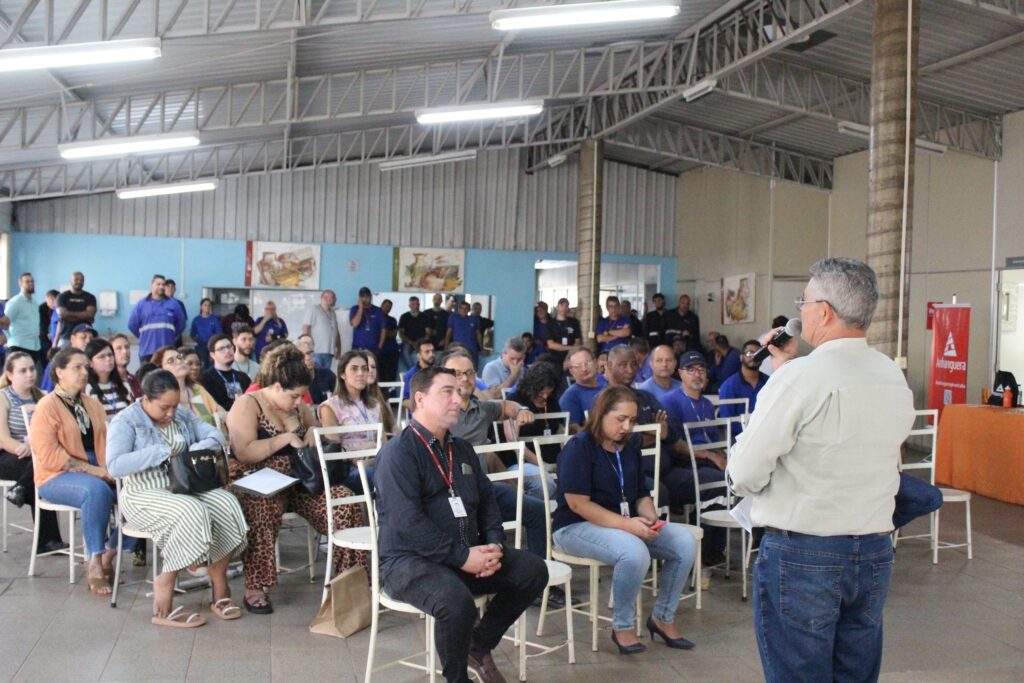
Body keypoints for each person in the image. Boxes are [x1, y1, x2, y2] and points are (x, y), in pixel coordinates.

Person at [727, 257, 916, 683]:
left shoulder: (800, 379)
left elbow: (744, 472)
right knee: (855, 671)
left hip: (805, 553)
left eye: (805, 301)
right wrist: (785, 371)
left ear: (825, 311)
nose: (802, 311)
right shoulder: (890, 374)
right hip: (871, 549)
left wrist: (782, 379)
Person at [373, 366, 548, 683]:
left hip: (463, 554)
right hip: (409, 561)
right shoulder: (398, 453)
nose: (459, 398)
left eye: (459, 391)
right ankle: (457, 678)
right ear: (420, 399)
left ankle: (477, 646)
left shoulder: (461, 448)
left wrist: (494, 545)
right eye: (447, 392)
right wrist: (464, 558)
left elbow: (488, 501)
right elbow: (408, 523)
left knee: (532, 570)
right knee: (456, 603)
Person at [553, 386, 697, 654]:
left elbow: (640, 493)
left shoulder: (628, 447)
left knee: (684, 542)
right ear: (601, 413)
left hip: (622, 523)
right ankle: (623, 626)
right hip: (574, 527)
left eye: (632, 420)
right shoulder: (580, 447)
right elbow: (577, 504)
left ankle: (662, 619)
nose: (627, 426)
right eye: (621, 419)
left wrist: (650, 517)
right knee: (634, 552)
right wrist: (629, 525)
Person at [226, 344, 366, 614]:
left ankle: (350, 581)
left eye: (301, 396)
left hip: (301, 482)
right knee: (261, 507)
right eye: (293, 396)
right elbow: (243, 452)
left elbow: (313, 440)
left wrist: (313, 436)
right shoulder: (248, 404)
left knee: (344, 502)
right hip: (260, 481)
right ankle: (256, 586)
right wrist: (284, 439)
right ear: (276, 387)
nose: (298, 402)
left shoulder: (299, 409)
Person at [107, 369, 249, 628]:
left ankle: (219, 588)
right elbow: (115, 465)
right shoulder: (125, 421)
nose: (171, 413)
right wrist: (161, 452)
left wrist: (199, 446)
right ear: (145, 399)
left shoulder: (181, 414)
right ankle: (165, 588)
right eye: (164, 407)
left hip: (183, 487)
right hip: (143, 493)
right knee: (191, 510)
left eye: (174, 406)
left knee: (227, 504)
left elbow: (216, 435)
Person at [28, 348, 118, 595]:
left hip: (96, 467)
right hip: (55, 474)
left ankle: (110, 552)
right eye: (76, 367)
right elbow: (48, 454)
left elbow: (106, 444)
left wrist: (111, 468)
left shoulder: (93, 405)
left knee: (138, 492)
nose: (84, 372)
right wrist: (94, 470)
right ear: (59, 372)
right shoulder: (47, 406)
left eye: (85, 367)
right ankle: (95, 563)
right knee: (97, 491)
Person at [0, 352, 65, 553]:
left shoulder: (43, 396)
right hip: (10, 454)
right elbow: (3, 438)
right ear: (10, 375)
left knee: (41, 467)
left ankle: (20, 489)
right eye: (23, 371)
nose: (30, 374)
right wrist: (26, 448)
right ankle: (47, 539)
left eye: (31, 369)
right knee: (39, 469)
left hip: (37, 454)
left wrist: (36, 447)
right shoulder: (3, 397)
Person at [319, 351, 388, 492]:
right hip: (348, 469)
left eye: (364, 368)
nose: (361, 373)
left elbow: (384, 443)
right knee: (386, 475)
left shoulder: (374, 404)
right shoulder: (330, 407)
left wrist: (372, 450)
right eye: (354, 368)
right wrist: (362, 450)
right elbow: (334, 452)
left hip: (376, 461)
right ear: (343, 374)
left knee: (404, 469)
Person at [151, 346, 221, 425]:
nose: (179, 361)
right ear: (160, 370)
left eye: (179, 357)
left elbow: (220, 413)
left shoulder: (197, 389)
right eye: (171, 361)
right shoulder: (161, 399)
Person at [128, 275, 186, 364]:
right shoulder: (141, 304)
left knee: (167, 377)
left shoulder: (174, 304)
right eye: (158, 284)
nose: (161, 287)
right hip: (147, 351)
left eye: (163, 284)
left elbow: (181, 324)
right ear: (152, 285)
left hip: (167, 352)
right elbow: (132, 324)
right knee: (147, 377)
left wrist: (171, 335)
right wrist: (142, 337)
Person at [716, 339, 767, 438]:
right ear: (741, 357)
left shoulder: (770, 382)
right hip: (740, 440)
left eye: (758, 353)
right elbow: (727, 421)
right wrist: (751, 432)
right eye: (749, 353)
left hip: (767, 436)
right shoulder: (729, 386)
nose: (754, 357)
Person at [559, 347, 608, 429]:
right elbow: (573, 430)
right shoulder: (570, 396)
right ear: (571, 371)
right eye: (578, 366)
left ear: (595, 363)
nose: (584, 369)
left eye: (587, 363)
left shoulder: (608, 387)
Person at [199, 333, 251, 410]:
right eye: (221, 349)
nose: (227, 351)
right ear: (213, 355)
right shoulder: (205, 379)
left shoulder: (243, 377)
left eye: (229, 346)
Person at [84, 339, 134, 418]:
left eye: (110, 355)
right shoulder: (87, 389)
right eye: (102, 357)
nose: (108, 359)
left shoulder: (124, 386)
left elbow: (133, 415)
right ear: (90, 363)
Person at [40, 324, 96, 392]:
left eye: (91, 339)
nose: (88, 341)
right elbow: (46, 391)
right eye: (83, 337)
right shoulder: (59, 362)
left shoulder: (96, 363)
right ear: (73, 339)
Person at [2, 273, 41, 365]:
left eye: (32, 281)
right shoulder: (15, 302)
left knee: (30, 378)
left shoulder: (34, 303)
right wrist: (10, 338)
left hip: (34, 347)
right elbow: (4, 323)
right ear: (20, 284)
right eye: (27, 282)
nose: (31, 284)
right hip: (18, 346)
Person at [55, 272, 96, 348]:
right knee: (63, 359)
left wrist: (69, 315)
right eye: (76, 279)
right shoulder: (62, 297)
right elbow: (62, 314)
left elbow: (90, 314)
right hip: (66, 336)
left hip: (85, 337)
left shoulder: (90, 297)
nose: (79, 282)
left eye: (81, 280)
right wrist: (84, 315)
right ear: (71, 281)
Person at [303, 289, 341, 370]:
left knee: (325, 377)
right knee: (316, 376)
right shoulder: (314, 309)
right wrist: (307, 346)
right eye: (334, 298)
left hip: (329, 352)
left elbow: (336, 331)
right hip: (316, 351)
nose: (335, 300)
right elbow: (306, 327)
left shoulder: (333, 312)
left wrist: (339, 348)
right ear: (327, 298)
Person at [364, 351, 397, 436]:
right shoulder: (354, 396)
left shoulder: (382, 392)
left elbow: (392, 424)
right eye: (366, 367)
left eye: (373, 367)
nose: (371, 370)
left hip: (386, 441)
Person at [349, 286, 386, 358]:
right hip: (358, 348)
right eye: (362, 297)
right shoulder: (354, 309)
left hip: (373, 349)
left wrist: (379, 347)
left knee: (371, 368)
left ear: (371, 297)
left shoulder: (378, 311)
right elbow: (355, 324)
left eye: (367, 296)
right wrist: (360, 308)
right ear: (359, 298)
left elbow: (383, 330)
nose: (365, 299)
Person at [544, 298, 581, 368]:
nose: (564, 308)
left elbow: (578, 341)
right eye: (561, 305)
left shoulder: (574, 322)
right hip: (554, 357)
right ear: (557, 307)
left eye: (566, 306)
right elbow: (551, 345)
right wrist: (570, 348)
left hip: (570, 357)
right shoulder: (550, 324)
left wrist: (572, 352)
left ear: (568, 309)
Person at [398, 296, 431, 372]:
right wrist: (411, 343)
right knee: (405, 351)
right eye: (413, 304)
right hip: (408, 342)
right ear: (409, 306)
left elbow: (428, 334)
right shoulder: (404, 317)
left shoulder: (425, 316)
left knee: (427, 351)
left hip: (422, 342)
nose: (416, 306)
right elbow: (401, 334)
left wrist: (418, 342)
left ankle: (426, 371)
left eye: (417, 304)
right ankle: (414, 371)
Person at [401, 337, 435, 410]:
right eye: (427, 352)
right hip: (419, 416)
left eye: (432, 351)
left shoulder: (439, 372)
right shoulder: (410, 375)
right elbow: (404, 401)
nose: (431, 354)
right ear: (418, 355)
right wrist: (423, 408)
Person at [445, 302, 481, 368]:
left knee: (473, 369)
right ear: (459, 309)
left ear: (469, 310)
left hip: (472, 350)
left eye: (466, 308)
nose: (464, 310)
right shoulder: (453, 318)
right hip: (457, 350)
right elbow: (448, 334)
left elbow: (478, 335)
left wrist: (482, 348)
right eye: (462, 308)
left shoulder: (474, 319)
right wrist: (446, 348)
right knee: (457, 369)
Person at [189, 298, 223, 369]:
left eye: (209, 305)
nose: (207, 307)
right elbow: (192, 334)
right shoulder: (196, 320)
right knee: (201, 366)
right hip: (200, 346)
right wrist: (199, 341)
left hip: (212, 346)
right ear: (201, 306)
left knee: (212, 366)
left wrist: (213, 346)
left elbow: (219, 334)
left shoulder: (214, 319)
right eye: (205, 305)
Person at [111, 333, 142, 398]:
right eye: (119, 348)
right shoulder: (108, 382)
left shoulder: (136, 381)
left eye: (127, 347)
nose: (125, 351)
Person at [379, 299, 401, 383]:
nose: (387, 308)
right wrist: (385, 332)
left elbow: (394, 334)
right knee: (380, 374)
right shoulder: (376, 318)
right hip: (380, 351)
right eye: (386, 306)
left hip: (392, 351)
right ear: (381, 305)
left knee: (391, 375)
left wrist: (382, 332)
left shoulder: (392, 320)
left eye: (389, 307)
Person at [163, 279, 189, 346]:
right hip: (162, 338)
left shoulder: (179, 304)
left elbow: (183, 322)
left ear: (175, 289)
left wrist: (176, 335)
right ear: (164, 288)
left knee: (178, 356)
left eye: (172, 287)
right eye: (168, 286)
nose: (170, 289)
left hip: (176, 339)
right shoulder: (159, 303)